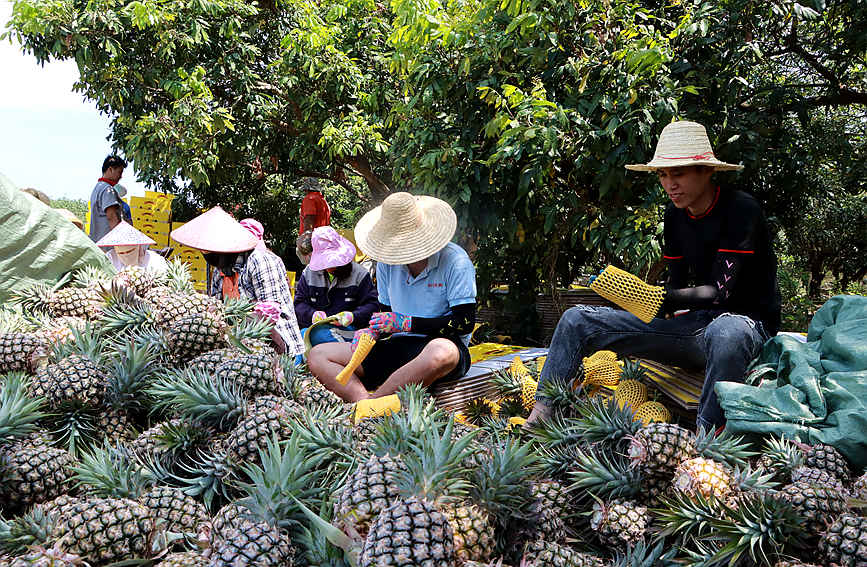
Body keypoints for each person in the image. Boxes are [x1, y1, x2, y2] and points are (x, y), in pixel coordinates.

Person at [526, 120, 781, 431]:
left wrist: (663, 301)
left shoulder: (741, 209)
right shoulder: (675, 214)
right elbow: (676, 281)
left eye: (679, 173)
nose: (669, 184)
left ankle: (707, 442)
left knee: (726, 332)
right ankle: (540, 417)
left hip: (744, 328)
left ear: (707, 171)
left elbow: (720, 293)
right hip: (695, 328)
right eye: (663, 174)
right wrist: (655, 303)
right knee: (576, 319)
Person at [308, 192, 477, 402]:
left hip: (437, 347)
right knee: (318, 355)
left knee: (441, 352)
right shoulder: (387, 264)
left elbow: (465, 322)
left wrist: (408, 323)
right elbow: (385, 314)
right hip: (397, 347)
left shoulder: (455, 261)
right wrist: (371, 331)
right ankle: (363, 403)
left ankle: (375, 404)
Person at [170, 207, 304, 356]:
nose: (207, 254)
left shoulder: (260, 261)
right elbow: (217, 309)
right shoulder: (219, 270)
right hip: (235, 343)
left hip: (275, 346)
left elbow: (270, 314)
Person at [294, 226, 379, 348]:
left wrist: (353, 316)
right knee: (302, 336)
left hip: (350, 332)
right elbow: (299, 304)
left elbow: (373, 306)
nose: (332, 267)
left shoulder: (360, 274)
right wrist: (312, 314)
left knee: (315, 336)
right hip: (316, 329)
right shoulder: (308, 274)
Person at [96, 221, 169, 274]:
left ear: (139, 247)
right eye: (121, 253)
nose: (126, 256)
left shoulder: (155, 261)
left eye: (129, 251)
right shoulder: (110, 258)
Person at [88, 155, 126, 242]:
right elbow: (112, 217)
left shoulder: (98, 187)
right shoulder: (107, 190)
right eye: (119, 172)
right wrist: (122, 242)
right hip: (108, 246)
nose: (121, 176)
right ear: (110, 169)